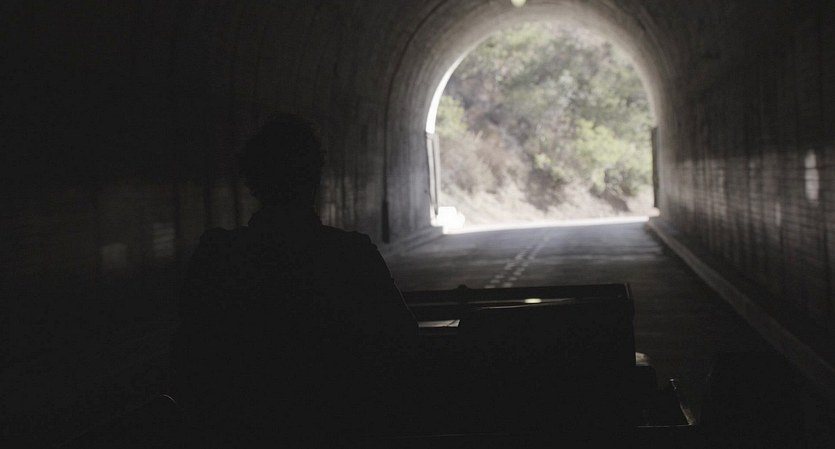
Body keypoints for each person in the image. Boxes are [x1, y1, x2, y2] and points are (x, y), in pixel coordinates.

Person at [170, 114, 418, 447]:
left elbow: (187, 357)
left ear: (252, 182)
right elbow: (403, 343)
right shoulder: (351, 254)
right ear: (315, 180)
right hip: (341, 430)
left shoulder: (217, 255)